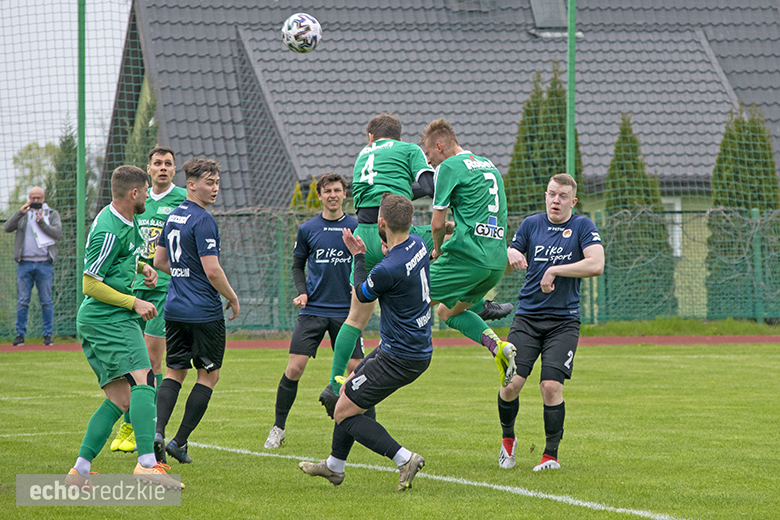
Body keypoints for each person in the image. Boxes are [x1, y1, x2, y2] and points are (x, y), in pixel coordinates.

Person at [321, 113, 511, 415]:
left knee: (356, 317)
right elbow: (428, 186)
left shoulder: (362, 155)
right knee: (422, 290)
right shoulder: (409, 150)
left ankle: (334, 380)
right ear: (399, 136)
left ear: (371, 137)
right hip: (393, 232)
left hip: (363, 232)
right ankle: (475, 305)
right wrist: (455, 189)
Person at [299, 193, 430, 491]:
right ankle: (335, 466)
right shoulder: (418, 245)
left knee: (343, 410)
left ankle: (404, 458)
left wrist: (358, 255)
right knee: (349, 391)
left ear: (381, 222)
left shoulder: (387, 269)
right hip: (411, 347)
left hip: (399, 355)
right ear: (410, 221)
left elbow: (361, 292)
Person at [66, 165, 182, 491]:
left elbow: (123, 258)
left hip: (110, 318)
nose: (147, 196)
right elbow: (90, 284)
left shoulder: (126, 219)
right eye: (145, 192)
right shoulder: (108, 229)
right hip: (107, 320)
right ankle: (147, 464)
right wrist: (135, 303)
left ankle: (80, 471)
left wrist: (144, 266)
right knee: (145, 379)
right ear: (134, 194)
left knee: (120, 399)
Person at [498, 173, 604, 471]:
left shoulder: (582, 226)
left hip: (563, 322)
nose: (555, 200)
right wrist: (510, 251)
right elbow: (510, 257)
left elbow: (596, 263)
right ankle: (508, 441)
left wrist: (556, 269)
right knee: (510, 385)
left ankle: (550, 456)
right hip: (527, 318)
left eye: (562, 196)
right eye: (551, 194)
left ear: (573, 201)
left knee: (550, 387)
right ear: (545, 196)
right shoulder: (531, 224)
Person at [264, 173, 364, 449]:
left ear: (345, 194)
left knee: (358, 370)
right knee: (294, 369)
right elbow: (297, 266)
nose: (333, 195)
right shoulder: (308, 228)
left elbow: (368, 262)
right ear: (319, 196)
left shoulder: (357, 226)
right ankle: (278, 428)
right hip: (314, 310)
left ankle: (368, 429)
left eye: (337, 190)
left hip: (348, 312)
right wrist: (302, 291)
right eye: (327, 191)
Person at [153, 156, 239, 465]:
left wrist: (182, 273)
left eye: (217, 182)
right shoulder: (204, 219)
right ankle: (179, 441)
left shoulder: (174, 215)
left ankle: (158, 432)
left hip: (174, 309)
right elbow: (213, 271)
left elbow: (160, 262)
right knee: (209, 375)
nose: (215, 188)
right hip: (203, 311)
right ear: (191, 185)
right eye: (209, 183)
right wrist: (233, 297)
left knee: (175, 371)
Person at [420, 118, 516, 387]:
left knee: (409, 296)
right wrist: (458, 226)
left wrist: (438, 249)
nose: (429, 163)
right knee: (446, 313)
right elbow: (482, 214)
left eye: (428, 155)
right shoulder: (488, 164)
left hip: (467, 257)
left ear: (439, 146)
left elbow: (436, 223)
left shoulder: (448, 167)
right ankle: (499, 347)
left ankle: (379, 365)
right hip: (495, 261)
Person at [111, 146, 187, 454]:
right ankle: (137, 422)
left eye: (169, 163)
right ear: (149, 168)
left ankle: (135, 427)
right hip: (132, 286)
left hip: (164, 287)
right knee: (131, 360)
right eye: (158, 163)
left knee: (152, 360)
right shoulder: (136, 198)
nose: (163, 168)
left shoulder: (182, 198)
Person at [3, 186, 62, 346]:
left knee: (46, 301)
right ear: (29, 198)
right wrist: (20, 212)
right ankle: (20, 336)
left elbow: (57, 233)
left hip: (44, 264)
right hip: (24, 264)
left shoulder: (51, 214)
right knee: (23, 301)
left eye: (38, 198)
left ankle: (47, 336)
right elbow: (7, 227)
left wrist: (41, 222)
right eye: (32, 198)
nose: (35, 201)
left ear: (44, 198)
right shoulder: (23, 215)